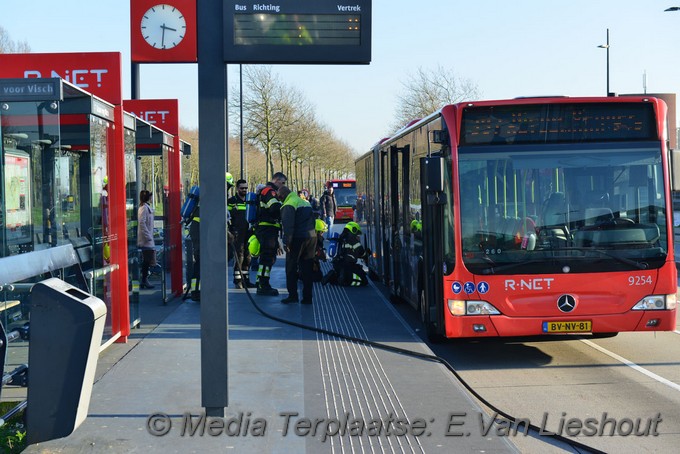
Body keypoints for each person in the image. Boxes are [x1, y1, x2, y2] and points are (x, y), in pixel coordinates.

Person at [277, 185, 317, 304]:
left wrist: (287, 243)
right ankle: (307, 297)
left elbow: (288, 227)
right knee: (307, 268)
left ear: (283, 195)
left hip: (297, 238)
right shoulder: (304, 202)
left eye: (279, 197)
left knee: (291, 267)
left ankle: (293, 296)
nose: (279, 200)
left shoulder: (289, 204)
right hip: (311, 237)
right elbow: (313, 220)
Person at [254, 172, 287, 296]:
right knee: (268, 258)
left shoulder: (264, 191)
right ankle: (264, 284)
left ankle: (260, 281)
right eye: (282, 183)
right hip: (268, 228)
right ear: (276, 180)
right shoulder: (270, 192)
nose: (283, 186)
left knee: (266, 257)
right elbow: (274, 208)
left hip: (265, 228)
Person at [321, 221, 369, 287]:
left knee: (342, 278)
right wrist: (368, 253)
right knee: (364, 281)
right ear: (353, 230)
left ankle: (334, 276)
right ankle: (344, 279)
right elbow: (362, 254)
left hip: (337, 265)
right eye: (357, 233)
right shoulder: (355, 242)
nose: (358, 236)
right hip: (349, 266)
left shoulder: (340, 238)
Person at [228, 179, 255, 288]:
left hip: (248, 232)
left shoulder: (250, 200)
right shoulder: (231, 201)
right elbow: (227, 217)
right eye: (242, 188)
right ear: (237, 188)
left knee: (248, 256)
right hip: (237, 232)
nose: (244, 190)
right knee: (239, 256)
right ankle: (238, 280)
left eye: (245, 188)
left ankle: (246, 280)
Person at [137, 189, 156, 289]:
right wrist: (148, 236)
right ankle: (144, 279)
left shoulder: (145, 207)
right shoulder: (144, 208)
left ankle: (144, 279)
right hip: (145, 240)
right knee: (147, 260)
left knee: (148, 260)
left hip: (147, 239)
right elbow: (142, 223)